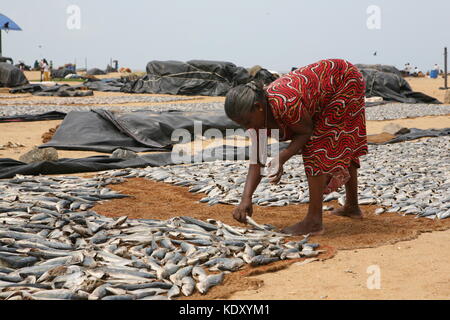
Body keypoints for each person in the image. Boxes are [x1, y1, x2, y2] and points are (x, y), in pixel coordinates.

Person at [224, 59, 368, 235]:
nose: (247, 128)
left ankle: (314, 221)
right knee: (340, 143)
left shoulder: (285, 103)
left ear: (258, 108)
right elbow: (258, 159)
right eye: (241, 125)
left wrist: (282, 157)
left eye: (247, 122)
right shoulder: (258, 117)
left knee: (318, 147)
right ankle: (352, 207)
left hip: (344, 80)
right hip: (326, 88)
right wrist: (245, 199)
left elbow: (305, 133)